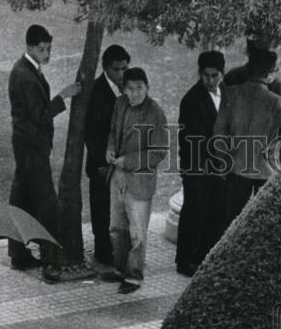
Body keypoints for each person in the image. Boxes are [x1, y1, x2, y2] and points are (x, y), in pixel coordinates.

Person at [8, 24, 81, 283]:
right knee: (47, 203)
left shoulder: (26, 69)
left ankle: (18, 252)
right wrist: (64, 96)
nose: (47, 54)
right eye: (42, 50)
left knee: (21, 198)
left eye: (49, 49)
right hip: (32, 149)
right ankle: (50, 262)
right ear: (29, 48)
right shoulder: (25, 76)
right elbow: (39, 115)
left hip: (26, 146)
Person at [213, 48, 281, 224]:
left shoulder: (233, 94)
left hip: (236, 169)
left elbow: (218, 131)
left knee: (232, 225)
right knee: (263, 223)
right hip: (264, 171)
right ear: (269, 74)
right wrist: (276, 146)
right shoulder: (274, 101)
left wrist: (225, 158)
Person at [104, 67, 168, 295]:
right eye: (129, 88)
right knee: (116, 227)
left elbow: (159, 152)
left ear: (147, 88)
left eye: (139, 88)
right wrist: (110, 149)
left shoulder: (155, 113)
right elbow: (112, 131)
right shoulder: (120, 104)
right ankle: (120, 269)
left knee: (137, 233)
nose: (134, 93)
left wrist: (127, 161)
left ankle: (134, 276)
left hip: (139, 181)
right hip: (118, 177)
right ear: (123, 89)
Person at [175, 50, 228, 277]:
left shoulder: (227, 93)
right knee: (194, 214)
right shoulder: (190, 100)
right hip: (198, 168)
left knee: (214, 213)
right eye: (206, 75)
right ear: (200, 73)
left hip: (217, 168)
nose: (210, 80)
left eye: (214, 75)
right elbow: (191, 141)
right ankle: (185, 260)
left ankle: (202, 257)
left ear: (222, 74)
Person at [84, 44, 131, 266]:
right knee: (102, 207)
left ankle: (119, 247)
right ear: (106, 68)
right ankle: (104, 250)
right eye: (116, 69)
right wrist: (102, 162)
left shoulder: (130, 88)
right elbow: (91, 134)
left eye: (124, 69)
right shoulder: (95, 92)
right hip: (103, 163)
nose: (121, 74)